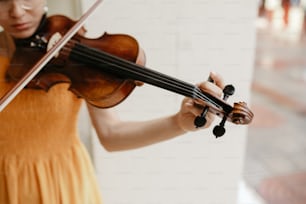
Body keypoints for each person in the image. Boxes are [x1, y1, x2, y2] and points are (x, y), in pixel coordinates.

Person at [0, 0, 225, 203]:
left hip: (63, 184)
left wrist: (178, 123)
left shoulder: (72, 46)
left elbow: (112, 135)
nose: (17, 11)